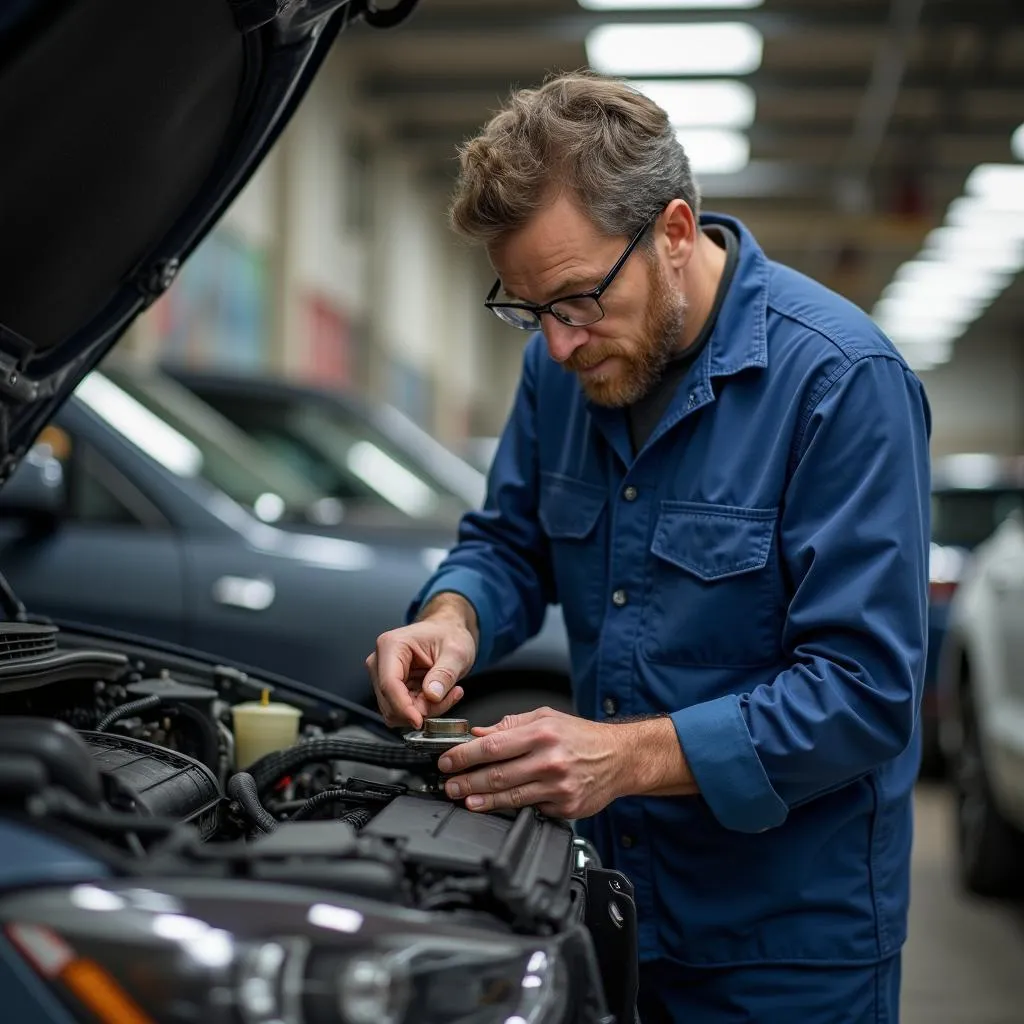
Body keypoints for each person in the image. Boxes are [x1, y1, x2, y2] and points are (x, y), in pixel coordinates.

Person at [366, 71, 930, 1023]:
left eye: (579, 300)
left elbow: (865, 691)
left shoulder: (840, 383)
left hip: (785, 949)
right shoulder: (562, 367)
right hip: (606, 908)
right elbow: (508, 542)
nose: (556, 344)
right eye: (528, 309)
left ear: (673, 232)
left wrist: (621, 759)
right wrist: (450, 617)